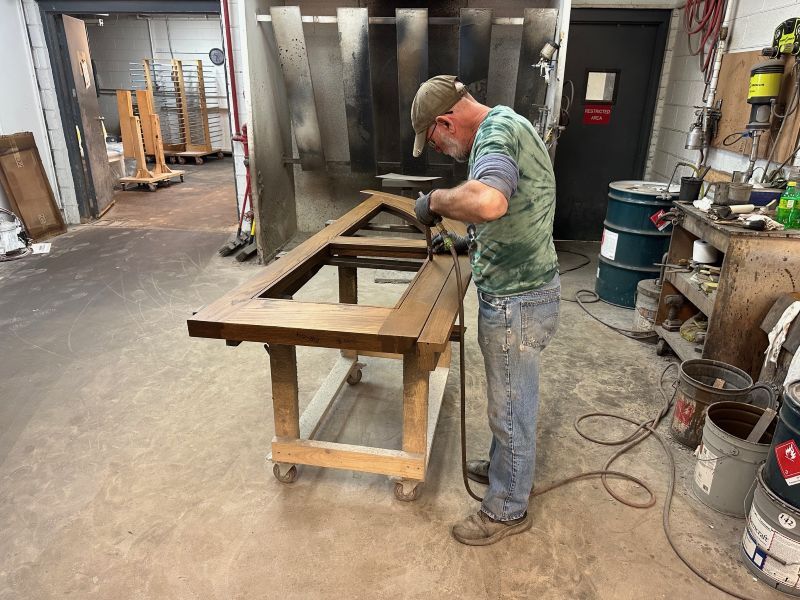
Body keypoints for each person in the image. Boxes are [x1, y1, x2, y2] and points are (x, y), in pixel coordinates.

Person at [410, 75, 560, 546]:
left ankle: (507, 508)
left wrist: (435, 200)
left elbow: (491, 201)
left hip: (518, 300)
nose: (439, 149)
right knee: (508, 400)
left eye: (434, 139)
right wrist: (468, 242)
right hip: (522, 289)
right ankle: (505, 469)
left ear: (446, 121)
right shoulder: (506, 123)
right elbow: (508, 214)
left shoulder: (495, 134)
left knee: (509, 407)